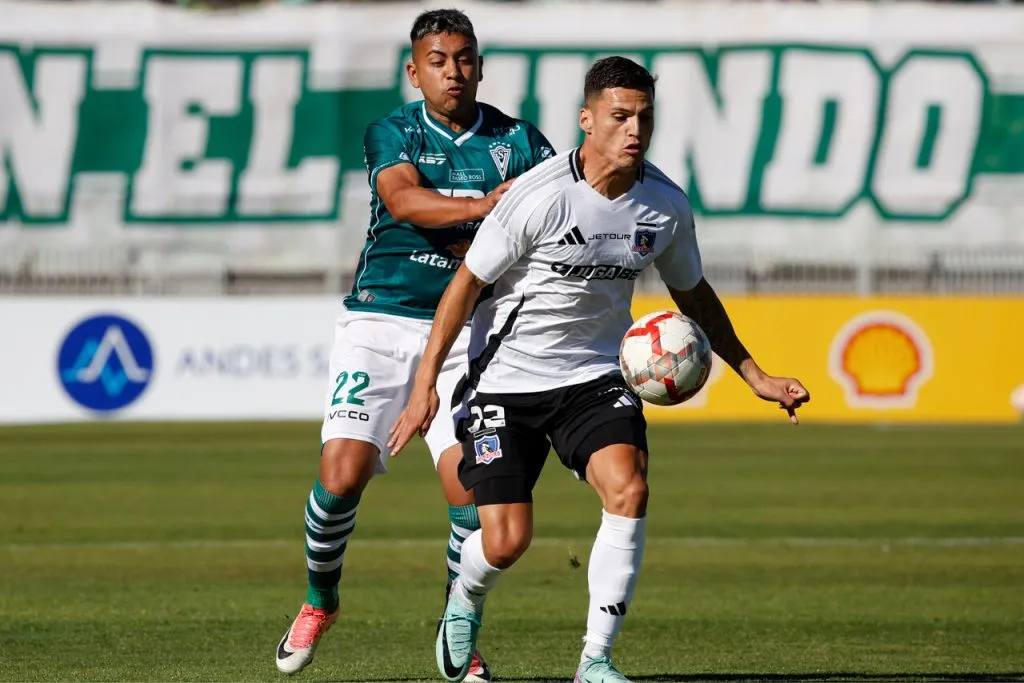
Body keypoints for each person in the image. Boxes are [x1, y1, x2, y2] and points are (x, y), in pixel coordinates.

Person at [388, 56, 811, 683]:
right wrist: (425, 388)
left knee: (629, 489)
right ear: (587, 120)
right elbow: (466, 285)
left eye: (644, 116)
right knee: (506, 540)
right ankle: (465, 598)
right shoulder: (540, 196)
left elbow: (693, 296)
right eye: (619, 116)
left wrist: (756, 376)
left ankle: (596, 659)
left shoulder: (664, 206)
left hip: (593, 378)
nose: (634, 129)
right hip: (506, 380)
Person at [275, 9, 554, 679]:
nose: (452, 72)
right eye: (438, 60)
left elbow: (553, 215)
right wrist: (488, 209)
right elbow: (404, 203)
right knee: (340, 475)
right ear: (414, 69)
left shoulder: (520, 142)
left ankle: (458, 624)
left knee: (468, 491)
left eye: (463, 59)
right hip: (378, 322)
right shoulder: (393, 131)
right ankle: (321, 600)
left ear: (480, 65)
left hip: (467, 337)